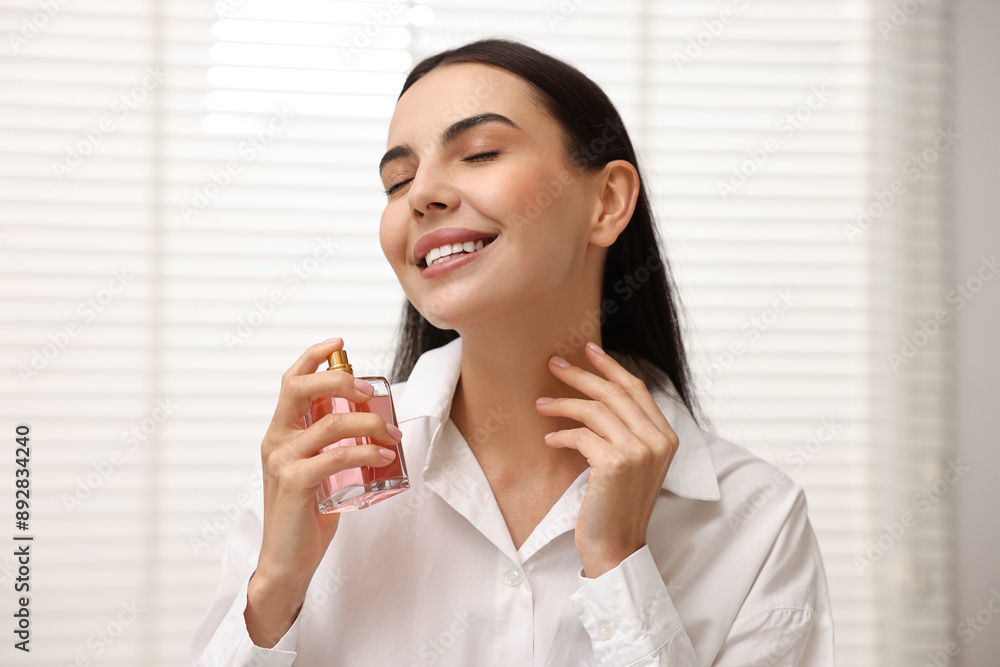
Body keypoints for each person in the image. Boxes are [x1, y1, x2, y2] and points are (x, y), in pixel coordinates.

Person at [190, 37, 834, 666]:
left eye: (479, 152)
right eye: (398, 179)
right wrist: (276, 585)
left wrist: (619, 566)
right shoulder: (319, 479)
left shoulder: (758, 521)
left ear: (607, 202)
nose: (422, 195)